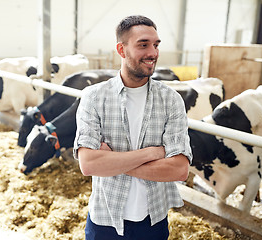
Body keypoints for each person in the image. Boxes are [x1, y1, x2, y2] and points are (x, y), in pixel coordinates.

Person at [73, 15, 192, 240]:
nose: (153, 53)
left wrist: (113, 162)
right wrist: (152, 153)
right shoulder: (94, 97)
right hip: (104, 220)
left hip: (153, 221)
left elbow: (179, 170)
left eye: (156, 45)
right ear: (121, 49)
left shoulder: (171, 100)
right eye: (143, 45)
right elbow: (88, 164)